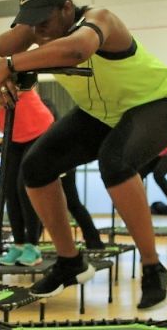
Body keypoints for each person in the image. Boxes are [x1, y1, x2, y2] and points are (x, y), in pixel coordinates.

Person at [0, 0, 167, 309]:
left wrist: (9, 63)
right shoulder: (30, 31)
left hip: (159, 102)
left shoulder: (100, 19)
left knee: (114, 162)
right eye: (31, 20)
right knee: (36, 167)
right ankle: (70, 261)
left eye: (45, 19)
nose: (38, 28)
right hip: (101, 112)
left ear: (67, 9)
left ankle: (152, 267)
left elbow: (76, 51)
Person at [0, 79, 52, 266]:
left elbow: (2, 100)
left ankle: (33, 247)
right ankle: (19, 244)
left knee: (25, 190)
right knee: (9, 191)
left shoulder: (13, 75)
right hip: (14, 137)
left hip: (40, 132)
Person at [41, 97, 104, 250]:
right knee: (44, 203)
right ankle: (32, 242)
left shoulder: (46, 110)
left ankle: (93, 239)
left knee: (72, 202)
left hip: (62, 162)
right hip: (50, 162)